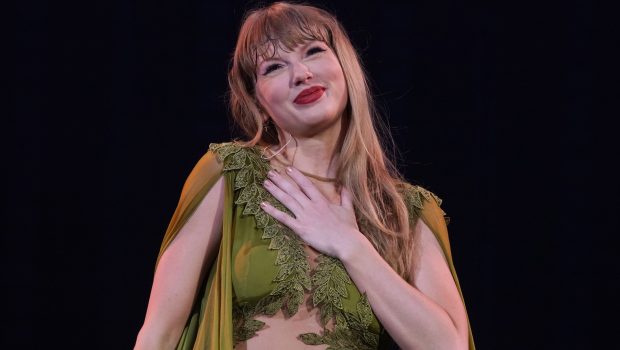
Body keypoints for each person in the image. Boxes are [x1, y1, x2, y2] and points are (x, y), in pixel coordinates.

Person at [134, 2, 475, 349]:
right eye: (274, 67)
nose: (301, 74)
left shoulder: (406, 210)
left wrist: (351, 245)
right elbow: (159, 332)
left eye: (313, 51)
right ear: (258, 101)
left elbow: (448, 345)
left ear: (346, 66)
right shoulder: (230, 173)